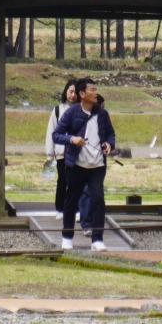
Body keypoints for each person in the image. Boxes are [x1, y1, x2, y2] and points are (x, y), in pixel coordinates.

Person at [50, 77, 116, 250]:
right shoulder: (71, 112)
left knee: (98, 200)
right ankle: (67, 237)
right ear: (82, 94)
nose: (95, 93)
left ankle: (97, 239)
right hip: (76, 165)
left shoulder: (102, 114)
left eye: (95, 90)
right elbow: (56, 135)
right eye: (92, 90)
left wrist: (109, 144)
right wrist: (72, 139)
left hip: (97, 166)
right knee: (71, 201)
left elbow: (110, 134)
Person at [44, 80, 80, 242]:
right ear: (65, 92)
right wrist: (49, 154)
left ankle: (76, 209)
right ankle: (60, 208)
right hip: (61, 153)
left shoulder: (82, 110)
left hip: (79, 154)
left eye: (75, 92)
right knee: (62, 181)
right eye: (70, 91)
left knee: (77, 182)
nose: (72, 95)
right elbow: (51, 131)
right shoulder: (58, 110)